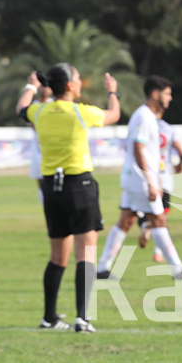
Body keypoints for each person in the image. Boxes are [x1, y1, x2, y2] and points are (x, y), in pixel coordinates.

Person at [16, 65, 120, 332]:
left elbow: (21, 110)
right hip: (79, 185)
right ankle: (82, 318)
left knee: (57, 258)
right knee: (85, 254)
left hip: (51, 188)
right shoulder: (80, 111)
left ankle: (49, 317)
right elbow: (113, 115)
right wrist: (112, 92)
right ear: (70, 85)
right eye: (76, 77)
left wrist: (31, 86)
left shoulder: (40, 111)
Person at [96, 76, 182, 280]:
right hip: (140, 180)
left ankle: (101, 269)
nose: (170, 98)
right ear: (155, 94)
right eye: (167, 93)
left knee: (126, 221)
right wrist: (151, 181)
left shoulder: (148, 117)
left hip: (135, 178)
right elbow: (138, 149)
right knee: (159, 219)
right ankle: (177, 269)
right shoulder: (144, 117)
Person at [138, 113, 182, 262]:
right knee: (162, 216)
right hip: (165, 177)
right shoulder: (168, 128)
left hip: (149, 176)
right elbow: (181, 151)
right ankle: (158, 252)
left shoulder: (145, 125)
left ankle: (145, 226)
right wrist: (180, 163)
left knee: (145, 211)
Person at [29, 85, 54, 202]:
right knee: (39, 178)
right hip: (38, 147)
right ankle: (44, 201)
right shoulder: (33, 106)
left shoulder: (54, 104)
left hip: (53, 148)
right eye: (43, 87)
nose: (45, 90)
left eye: (47, 87)